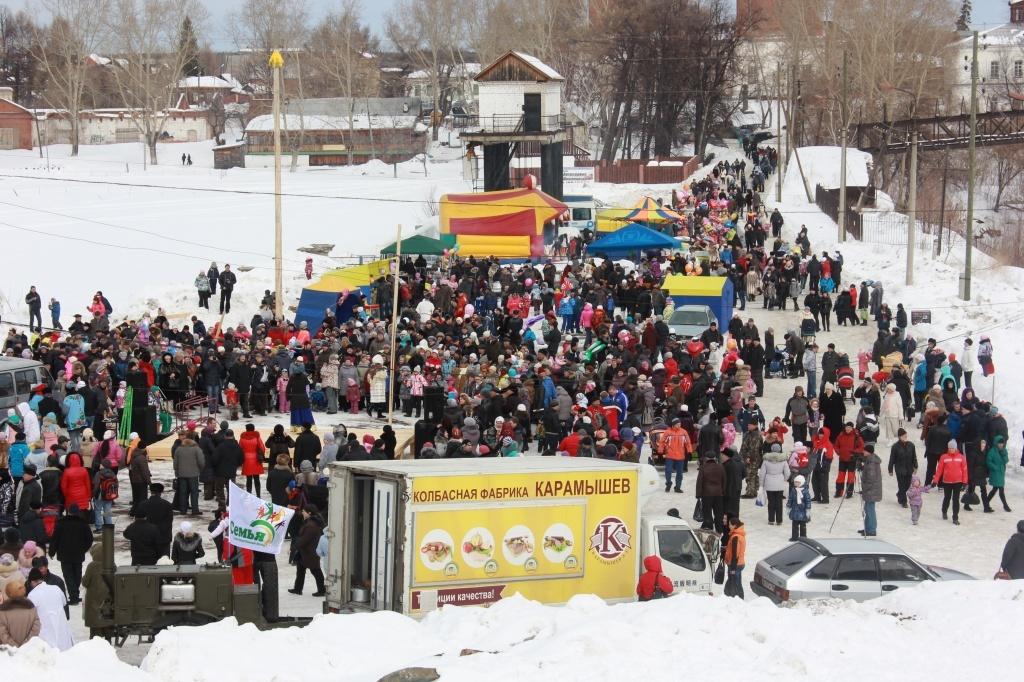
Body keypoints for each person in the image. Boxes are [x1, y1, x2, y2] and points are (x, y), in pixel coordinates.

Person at [47, 504, 92, 605]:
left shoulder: (61, 523)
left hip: (64, 554)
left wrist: (52, 551)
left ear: (68, 511)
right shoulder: (83, 523)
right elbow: (89, 539)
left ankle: (74, 596)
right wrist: (83, 549)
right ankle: (75, 594)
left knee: (68, 575)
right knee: (77, 574)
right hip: (78, 554)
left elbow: (55, 539)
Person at [27, 567, 73, 651]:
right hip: (62, 629)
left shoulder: (32, 595)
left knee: (50, 655)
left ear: (32, 582)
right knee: (65, 654)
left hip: (45, 632)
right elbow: (64, 602)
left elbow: (30, 615)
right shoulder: (56, 588)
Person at [288, 504, 326, 596]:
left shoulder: (311, 525)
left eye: (304, 511)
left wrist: (293, 548)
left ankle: (322, 590)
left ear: (309, 513)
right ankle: (298, 589)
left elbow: (304, 539)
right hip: (305, 552)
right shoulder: (310, 522)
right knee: (300, 569)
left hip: (310, 552)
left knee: (316, 571)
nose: (302, 512)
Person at [933, 439, 968, 525]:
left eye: (952, 448)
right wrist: (935, 480)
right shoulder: (944, 457)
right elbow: (939, 470)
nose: (951, 449)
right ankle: (944, 511)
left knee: (956, 499)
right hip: (947, 482)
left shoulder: (961, 457)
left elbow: (965, 470)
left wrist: (965, 482)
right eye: (949, 448)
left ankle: (955, 517)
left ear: (956, 448)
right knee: (947, 498)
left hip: (958, 482)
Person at [0, 580, 40, 647]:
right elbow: (36, 628)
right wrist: (26, 644)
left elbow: (2, 633)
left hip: (9, 652)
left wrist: (14, 646)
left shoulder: (2, 611)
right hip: (29, 649)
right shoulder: (31, 607)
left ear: (8, 593)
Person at [138, 483, 174, 558]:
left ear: (151, 491)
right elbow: (169, 521)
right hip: (164, 538)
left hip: (147, 538)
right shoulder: (167, 505)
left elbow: (139, 522)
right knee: (164, 563)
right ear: (161, 492)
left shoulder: (143, 504)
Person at [758, 443, 790, 525]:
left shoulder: (766, 460)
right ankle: (779, 520)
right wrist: (784, 479)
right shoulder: (783, 460)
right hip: (779, 483)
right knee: (779, 502)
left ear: (771, 449)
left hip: (769, 483)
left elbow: (762, 473)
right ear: (779, 449)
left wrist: (761, 484)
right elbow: (787, 473)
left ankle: (771, 519)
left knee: (771, 502)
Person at [173, 435, 205, 515]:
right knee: (194, 492)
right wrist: (200, 470)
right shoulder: (196, 449)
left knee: (183, 492)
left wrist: (177, 472)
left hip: (182, 475)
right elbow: (201, 462)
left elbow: (175, 463)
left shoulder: (179, 449)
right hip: (193, 474)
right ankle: (195, 510)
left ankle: (183, 510)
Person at [658, 417, 691, 493]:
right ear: (673, 425)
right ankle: (668, 483)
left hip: (680, 456)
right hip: (670, 455)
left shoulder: (684, 432)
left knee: (680, 473)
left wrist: (689, 451)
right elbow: (662, 442)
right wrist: (660, 449)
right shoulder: (667, 432)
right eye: (677, 424)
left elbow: (688, 442)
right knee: (668, 471)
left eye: (680, 424)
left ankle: (678, 487)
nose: (679, 425)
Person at [887, 428, 917, 507]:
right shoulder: (895, 447)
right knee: (902, 485)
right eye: (904, 436)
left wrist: (915, 466)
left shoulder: (911, 445)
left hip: (909, 468)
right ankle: (904, 502)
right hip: (899, 469)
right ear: (899, 437)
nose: (905, 437)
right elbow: (892, 459)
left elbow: (914, 456)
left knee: (907, 485)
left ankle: (899, 494)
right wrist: (890, 469)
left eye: (906, 436)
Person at [695, 454, 725, 534]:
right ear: (715, 458)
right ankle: (719, 530)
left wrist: (698, 495)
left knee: (707, 513)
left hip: (706, 495)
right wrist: (723, 492)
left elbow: (699, 482)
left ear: (706, 458)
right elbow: (724, 481)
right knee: (718, 514)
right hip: (718, 494)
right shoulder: (720, 467)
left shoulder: (703, 468)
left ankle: (709, 529)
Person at [859, 444, 883, 537]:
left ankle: (871, 530)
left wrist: (865, 488)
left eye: (864, 451)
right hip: (871, 490)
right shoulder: (869, 460)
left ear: (868, 452)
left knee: (870, 510)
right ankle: (867, 528)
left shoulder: (871, 462)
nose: (863, 452)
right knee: (867, 509)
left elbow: (871, 478)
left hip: (871, 490)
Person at [985, 435, 1011, 512]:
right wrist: (995, 467)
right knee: (1000, 489)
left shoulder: (1004, 450)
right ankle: (1005, 505)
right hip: (995, 472)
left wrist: (1003, 453)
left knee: (995, 489)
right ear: (996, 443)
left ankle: (986, 503)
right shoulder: (992, 451)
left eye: (1002, 443)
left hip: (1001, 472)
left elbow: (1006, 460)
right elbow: (988, 461)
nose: (1001, 445)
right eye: (999, 443)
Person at [723, 516, 745, 599]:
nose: (729, 526)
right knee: (737, 582)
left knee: (734, 583)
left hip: (735, 564)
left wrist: (732, 568)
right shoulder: (739, 534)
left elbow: (735, 553)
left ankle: (735, 598)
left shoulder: (736, 537)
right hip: (740, 563)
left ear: (735, 525)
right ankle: (738, 598)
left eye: (730, 525)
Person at [787, 474, 811, 541]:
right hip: (795, 510)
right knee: (794, 525)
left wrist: (808, 509)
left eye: (798, 482)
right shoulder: (793, 490)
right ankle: (794, 537)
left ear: (802, 482)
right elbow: (790, 499)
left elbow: (808, 500)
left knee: (803, 526)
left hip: (802, 511)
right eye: (795, 482)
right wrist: (788, 506)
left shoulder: (805, 491)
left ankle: (803, 537)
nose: (796, 483)